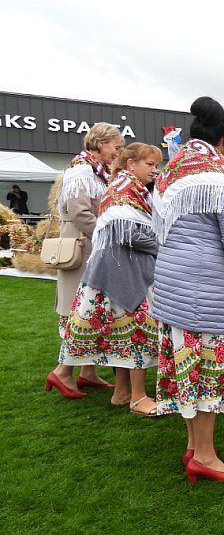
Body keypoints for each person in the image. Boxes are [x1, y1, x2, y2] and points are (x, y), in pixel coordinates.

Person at [152, 96, 224, 483]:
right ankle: (206, 457)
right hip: (205, 288)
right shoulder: (219, 175)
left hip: (172, 285)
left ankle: (194, 446)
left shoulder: (171, 170)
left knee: (185, 368)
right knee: (206, 369)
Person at [58, 143, 163, 416]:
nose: (155, 170)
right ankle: (138, 398)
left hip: (117, 269)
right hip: (123, 272)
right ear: (131, 164)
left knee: (125, 330)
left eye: (155, 164)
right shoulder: (125, 189)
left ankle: (121, 392)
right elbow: (127, 232)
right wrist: (161, 244)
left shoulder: (126, 187)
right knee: (138, 329)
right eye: (149, 164)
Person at [45, 123, 124, 399]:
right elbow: (81, 214)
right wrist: (108, 233)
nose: (118, 152)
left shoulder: (92, 171)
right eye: (116, 146)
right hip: (82, 249)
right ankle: (62, 372)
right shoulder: (82, 172)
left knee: (91, 312)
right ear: (100, 143)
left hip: (88, 247)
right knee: (82, 312)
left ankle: (87, 372)